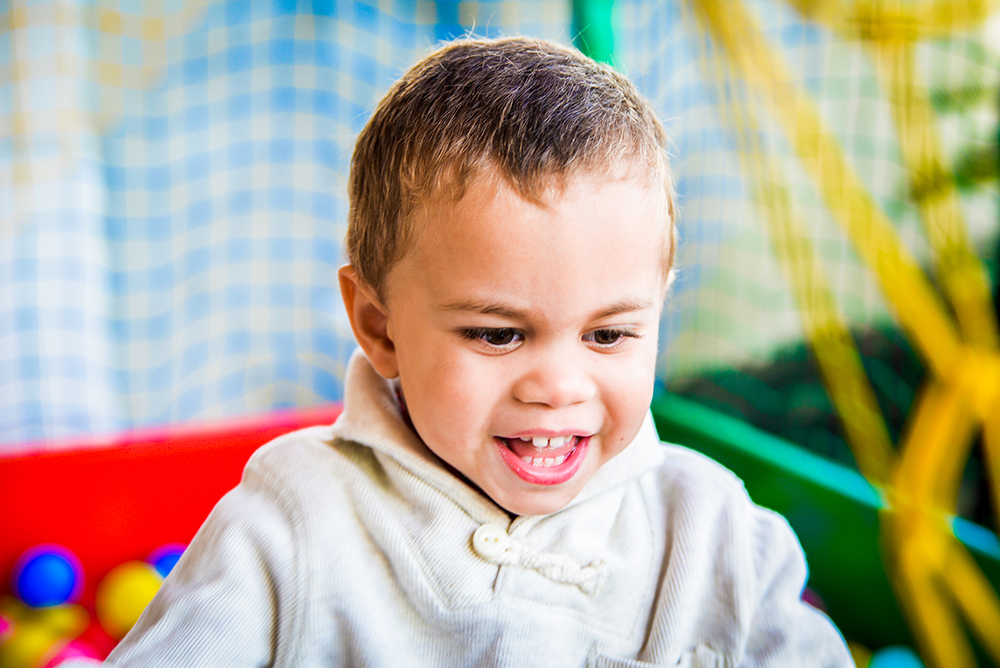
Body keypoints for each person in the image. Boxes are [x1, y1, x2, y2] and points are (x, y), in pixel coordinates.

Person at [87, 36, 852, 667]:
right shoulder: (293, 522)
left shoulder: (717, 535)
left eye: (609, 335)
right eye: (497, 334)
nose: (559, 385)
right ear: (380, 328)